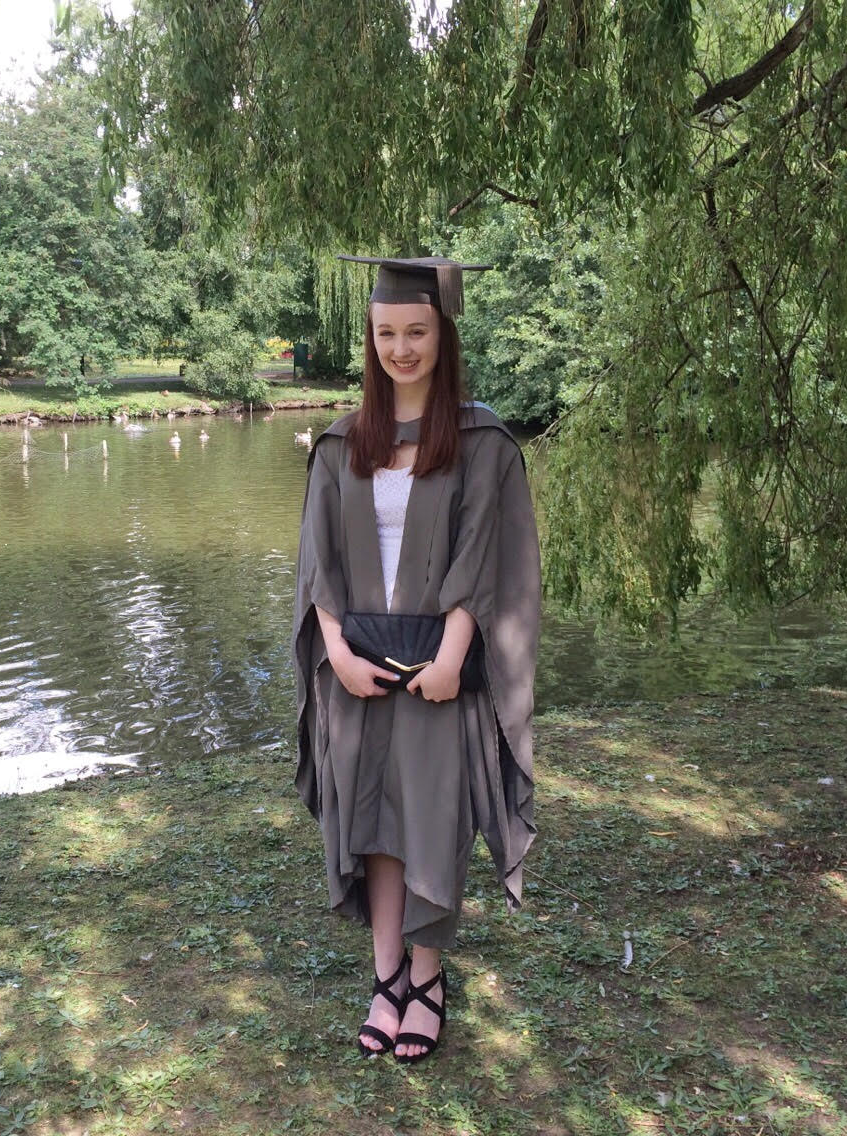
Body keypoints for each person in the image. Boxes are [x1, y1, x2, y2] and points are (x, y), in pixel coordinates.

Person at [292, 255, 541, 1064]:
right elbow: (316, 563)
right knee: (374, 827)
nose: (402, 349)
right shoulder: (341, 442)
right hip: (357, 670)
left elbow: (487, 558)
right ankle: (384, 977)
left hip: (442, 671)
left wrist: (451, 654)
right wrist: (333, 651)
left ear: (443, 334)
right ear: (369, 337)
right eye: (387, 333)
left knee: (431, 822)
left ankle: (427, 981)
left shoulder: (480, 440)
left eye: (418, 332)